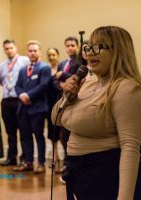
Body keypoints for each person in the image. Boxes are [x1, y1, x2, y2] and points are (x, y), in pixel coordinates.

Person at [52, 26, 141, 200]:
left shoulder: (127, 88)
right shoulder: (88, 83)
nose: (91, 53)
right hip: (85, 176)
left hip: (110, 177)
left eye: (99, 46)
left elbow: (130, 148)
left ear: (118, 51)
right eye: (89, 47)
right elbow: (56, 118)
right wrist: (67, 95)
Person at [15, 40, 51, 174]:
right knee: (25, 137)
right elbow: (17, 86)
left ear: (39, 52)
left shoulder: (44, 68)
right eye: (30, 51)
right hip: (23, 108)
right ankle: (28, 162)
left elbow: (44, 85)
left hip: (38, 108)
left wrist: (28, 96)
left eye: (35, 50)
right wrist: (21, 96)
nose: (32, 53)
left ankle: (40, 163)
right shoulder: (22, 70)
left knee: (39, 136)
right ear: (27, 52)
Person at [0, 39, 29, 166]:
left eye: (11, 48)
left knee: (23, 130)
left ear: (15, 48)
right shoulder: (2, 66)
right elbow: (1, 81)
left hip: (19, 100)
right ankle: (11, 158)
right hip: (6, 101)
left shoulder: (24, 61)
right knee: (10, 132)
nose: (9, 50)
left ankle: (25, 158)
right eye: (6, 48)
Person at [55, 36, 80, 174]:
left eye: (72, 45)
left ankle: (72, 162)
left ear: (77, 46)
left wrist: (63, 75)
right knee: (63, 135)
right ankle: (65, 162)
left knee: (71, 134)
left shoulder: (79, 62)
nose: (70, 48)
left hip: (73, 101)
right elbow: (55, 80)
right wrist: (62, 85)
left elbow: (77, 77)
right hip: (62, 101)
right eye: (68, 45)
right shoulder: (62, 63)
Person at [46, 48, 62, 171]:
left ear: (58, 55)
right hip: (49, 103)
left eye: (53, 54)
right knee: (52, 132)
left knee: (62, 131)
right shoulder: (45, 70)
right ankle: (54, 157)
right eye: (49, 55)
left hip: (61, 102)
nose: (51, 57)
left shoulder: (62, 68)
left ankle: (64, 158)